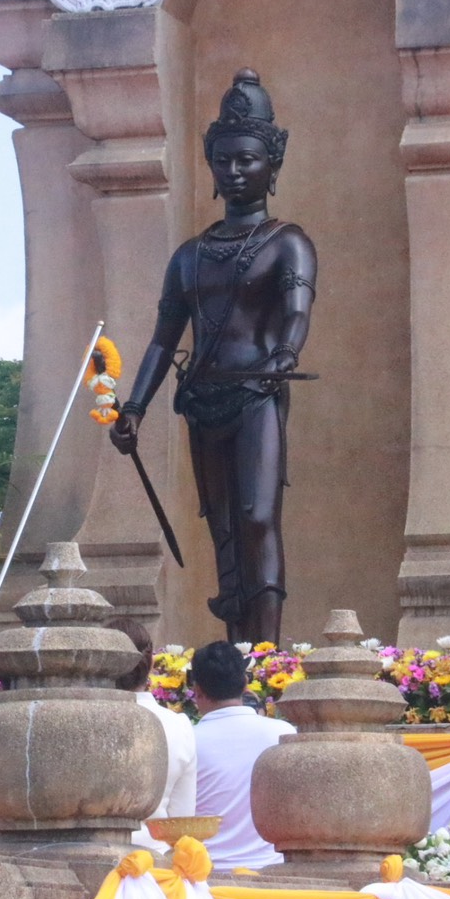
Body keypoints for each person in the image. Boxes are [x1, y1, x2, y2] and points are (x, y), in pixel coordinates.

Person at [111, 68, 317, 646]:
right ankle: (235, 650)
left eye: (247, 160)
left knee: (257, 516)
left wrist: (285, 353)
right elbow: (163, 338)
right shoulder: (190, 255)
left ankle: (267, 654)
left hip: (256, 391)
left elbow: (297, 310)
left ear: (272, 164)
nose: (234, 171)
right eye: (223, 161)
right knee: (222, 527)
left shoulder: (288, 242)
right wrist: (135, 408)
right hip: (202, 399)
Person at [191, 641, 295, 871]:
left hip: (205, 874)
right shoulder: (284, 734)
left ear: (197, 690)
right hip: (273, 872)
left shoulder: (187, 740)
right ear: (246, 683)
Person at [106, 617, 198, 851]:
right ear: (151, 664)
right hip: (157, 857)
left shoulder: (83, 721)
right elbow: (182, 819)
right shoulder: (179, 726)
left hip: (90, 856)